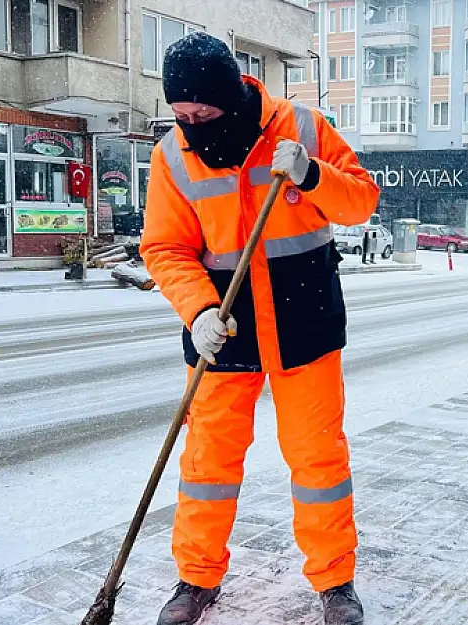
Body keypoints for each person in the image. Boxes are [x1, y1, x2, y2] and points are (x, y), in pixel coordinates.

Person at [139, 32, 379, 625]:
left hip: (305, 322)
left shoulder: (302, 126)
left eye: (203, 112)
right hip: (222, 329)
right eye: (181, 114)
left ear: (231, 96)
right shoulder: (172, 156)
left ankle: (335, 582)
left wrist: (313, 174)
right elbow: (166, 248)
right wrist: (196, 312)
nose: (192, 125)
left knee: (317, 458)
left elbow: (360, 203)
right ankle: (196, 580)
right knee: (208, 464)